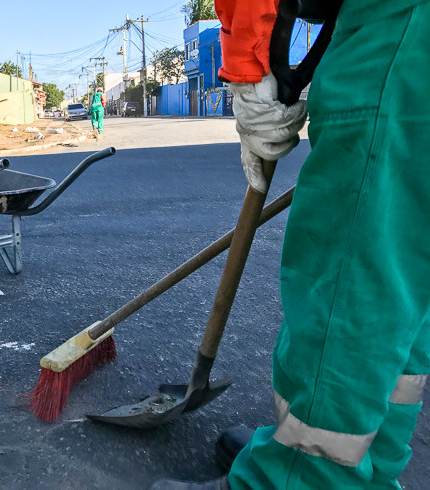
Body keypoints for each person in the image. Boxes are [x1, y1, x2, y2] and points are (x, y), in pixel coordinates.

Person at [152, 0, 430, 488]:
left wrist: (248, 66)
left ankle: (304, 474)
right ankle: (363, 468)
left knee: (350, 269)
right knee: (403, 271)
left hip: (400, 28)